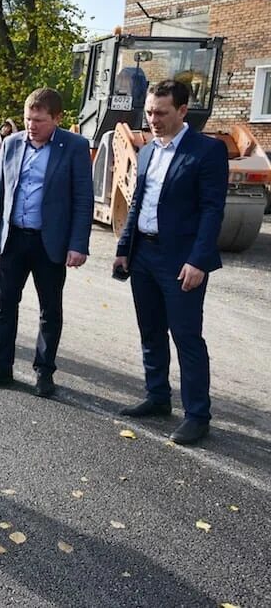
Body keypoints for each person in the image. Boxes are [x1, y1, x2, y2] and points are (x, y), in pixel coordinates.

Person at [113, 80, 228, 446]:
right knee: (150, 330)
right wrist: (124, 247)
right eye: (148, 112)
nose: (153, 120)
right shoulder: (147, 150)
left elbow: (213, 211)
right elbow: (138, 204)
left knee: (186, 336)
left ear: (182, 111)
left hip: (181, 260)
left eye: (161, 113)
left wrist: (199, 260)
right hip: (144, 254)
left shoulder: (207, 152)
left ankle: (197, 415)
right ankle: (158, 396)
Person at [0, 87, 92, 398]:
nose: (32, 126)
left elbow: (83, 200)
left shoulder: (74, 147)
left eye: (39, 120)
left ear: (57, 118)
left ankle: (44, 371)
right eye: (28, 119)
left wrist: (78, 244)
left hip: (49, 243)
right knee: (5, 305)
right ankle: (1, 366)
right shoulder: (11, 145)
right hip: (13, 239)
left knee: (49, 309)